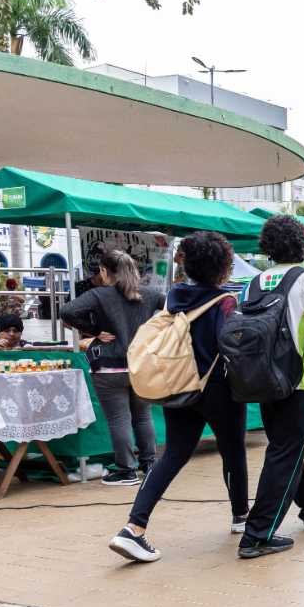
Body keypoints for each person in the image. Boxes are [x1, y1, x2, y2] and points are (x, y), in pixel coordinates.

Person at [108, 232, 248, 564]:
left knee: (171, 456)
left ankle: (133, 527)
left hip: (178, 386)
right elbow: (229, 348)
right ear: (223, 267)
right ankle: (240, 516)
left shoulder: (174, 296)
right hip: (217, 389)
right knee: (232, 451)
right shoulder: (224, 302)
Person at [238, 215, 304, 560]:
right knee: (284, 451)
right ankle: (257, 534)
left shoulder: (253, 282)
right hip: (298, 376)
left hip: (261, 376)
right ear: (303, 245)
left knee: (284, 446)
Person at [60, 250, 163, 485]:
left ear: (105, 271)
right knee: (143, 417)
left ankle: (127, 471)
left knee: (119, 419)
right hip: (140, 366)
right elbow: (173, 309)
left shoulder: (99, 295)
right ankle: (150, 466)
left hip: (108, 368)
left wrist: (94, 331)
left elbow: (67, 311)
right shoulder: (149, 294)